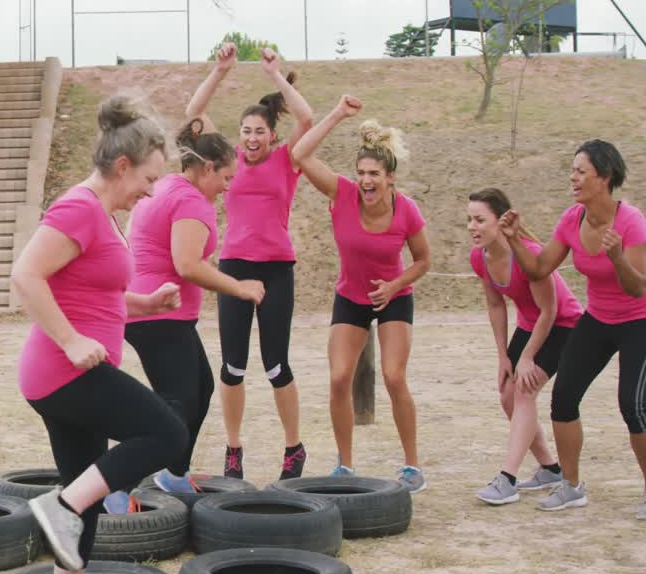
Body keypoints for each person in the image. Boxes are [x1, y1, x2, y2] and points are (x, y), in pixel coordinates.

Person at [13, 93, 192, 574]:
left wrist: (147, 303)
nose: (151, 193)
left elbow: (97, 293)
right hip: (66, 371)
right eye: (149, 180)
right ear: (121, 166)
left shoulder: (101, 214)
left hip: (68, 373)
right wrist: (70, 341)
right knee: (168, 434)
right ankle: (61, 504)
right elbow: (27, 275)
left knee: (84, 503)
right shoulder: (79, 209)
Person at [499, 140, 646, 519]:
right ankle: (571, 487)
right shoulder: (572, 218)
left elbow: (637, 287)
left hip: (643, 319)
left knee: (632, 405)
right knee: (564, 398)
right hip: (599, 318)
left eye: (581, 171)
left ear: (603, 178)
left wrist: (617, 255)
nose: (573, 177)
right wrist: (514, 238)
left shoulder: (631, 220)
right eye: (572, 170)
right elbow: (540, 269)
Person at [115, 120, 265, 510]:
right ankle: (114, 484)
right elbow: (187, 265)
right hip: (156, 312)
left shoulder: (171, 186)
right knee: (174, 405)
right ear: (208, 168)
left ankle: (173, 473)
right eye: (226, 177)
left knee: (200, 389)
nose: (228, 187)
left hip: (159, 312)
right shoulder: (190, 200)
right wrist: (241, 287)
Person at [184, 44, 315, 482]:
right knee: (232, 366)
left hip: (277, 269)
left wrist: (276, 74)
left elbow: (307, 119)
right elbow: (193, 112)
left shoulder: (287, 158)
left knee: (276, 364)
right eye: (246, 131)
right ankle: (234, 450)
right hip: (234, 267)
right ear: (238, 136)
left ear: (271, 135)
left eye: (260, 131)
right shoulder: (228, 160)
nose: (252, 138)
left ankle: (294, 450)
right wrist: (219, 71)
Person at [290, 96, 432, 492]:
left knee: (393, 376)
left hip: (393, 297)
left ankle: (412, 466)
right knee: (338, 379)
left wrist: (395, 285)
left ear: (390, 177)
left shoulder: (406, 210)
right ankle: (345, 467)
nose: (366, 180)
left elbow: (422, 261)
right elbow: (299, 153)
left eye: (374, 174)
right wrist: (336, 114)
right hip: (351, 296)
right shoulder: (343, 194)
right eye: (362, 172)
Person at [467, 188, 583, 505]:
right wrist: (504, 356)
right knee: (507, 395)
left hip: (565, 325)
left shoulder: (528, 252)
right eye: (469, 220)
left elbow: (551, 311)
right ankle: (550, 467)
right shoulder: (480, 258)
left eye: (480, 219)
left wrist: (528, 357)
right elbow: (495, 306)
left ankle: (507, 479)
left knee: (524, 390)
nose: (472, 227)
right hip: (530, 325)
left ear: (501, 221)